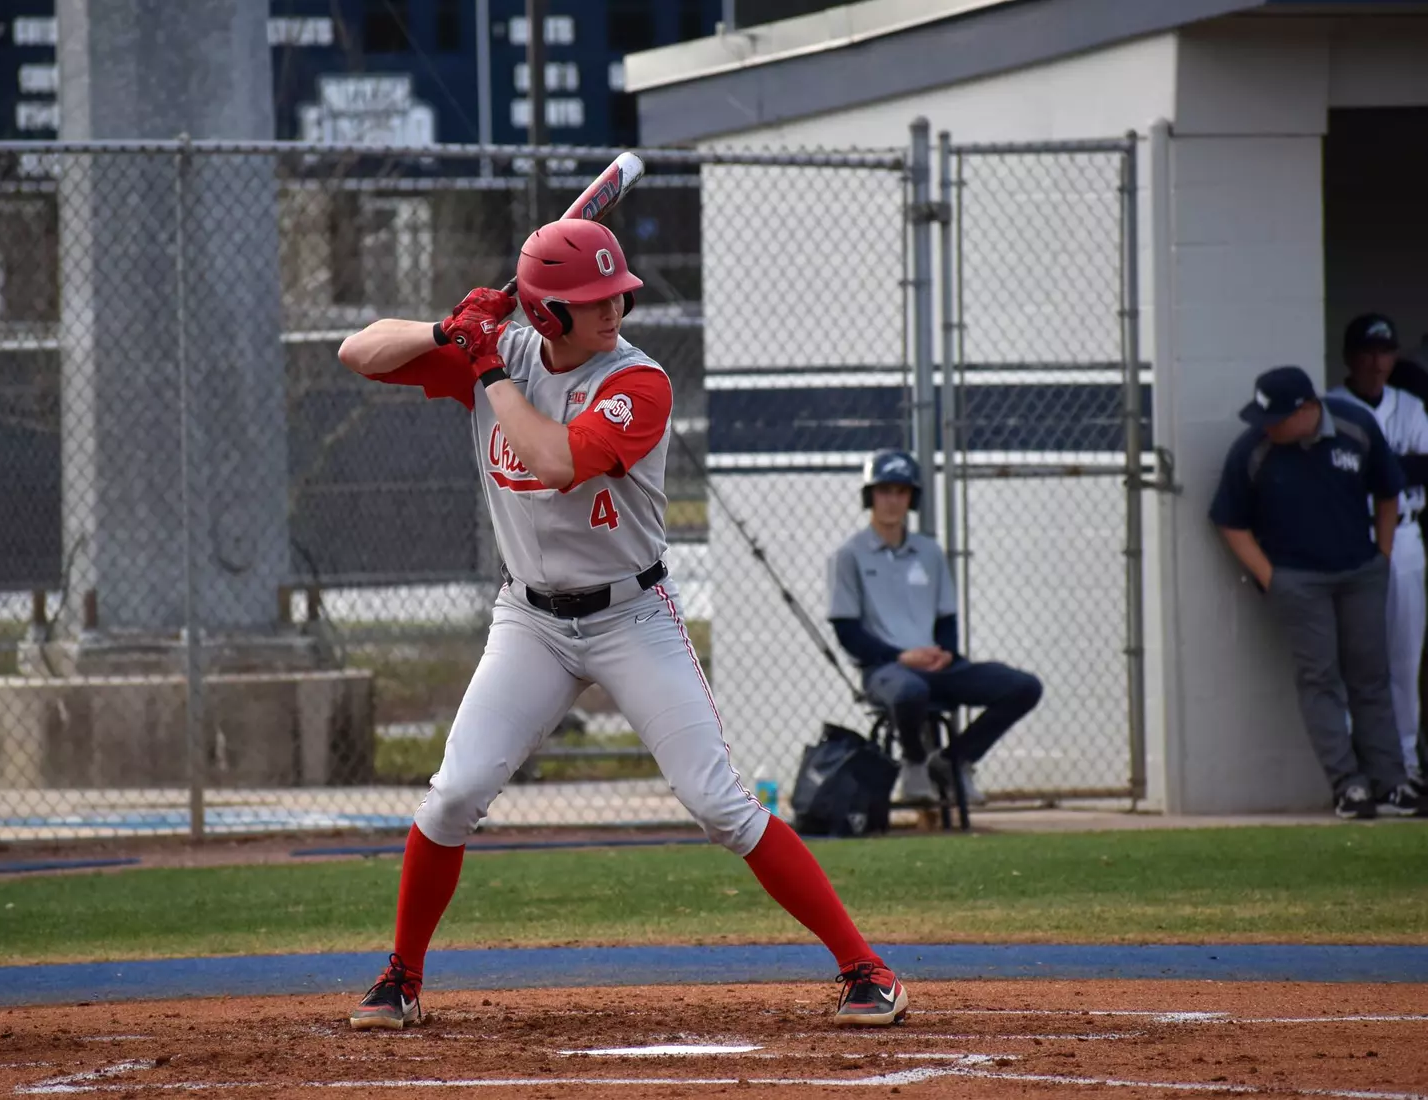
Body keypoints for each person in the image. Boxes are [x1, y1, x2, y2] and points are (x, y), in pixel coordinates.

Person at [336, 218, 908, 1031]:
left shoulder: (638, 382)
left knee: (718, 804)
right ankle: (400, 978)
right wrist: (446, 330)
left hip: (630, 614)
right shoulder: (499, 347)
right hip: (528, 619)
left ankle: (866, 970)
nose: (613, 310)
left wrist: (487, 360)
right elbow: (356, 352)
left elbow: (554, 462)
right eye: (591, 301)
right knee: (455, 793)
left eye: (616, 295)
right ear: (546, 315)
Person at [1209, 365, 1418, 819]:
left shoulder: (1354, 428)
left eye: (1278, 417)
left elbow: (1388, 491)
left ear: (1308, 410)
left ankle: (1391, 782)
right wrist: (1272, 577)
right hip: (1299, 581)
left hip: (1359, 571)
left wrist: (1381, 559)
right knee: (1320, 678)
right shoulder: (1253, 450)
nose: (1269, 427)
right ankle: (1348, 785)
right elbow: (1229, 519)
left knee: (1371, 675)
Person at [826, 449, 1043, 806]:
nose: (892, 501)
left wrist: (945, 653)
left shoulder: (929, 552)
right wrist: (901, 656)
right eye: (884, 491)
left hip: (935, 664)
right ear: (870, 496)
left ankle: (953, 761)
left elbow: (946, 619)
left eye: (901, 491)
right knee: (910, 692)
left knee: (1023, 687)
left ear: (912, 497)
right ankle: (914, 762)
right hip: (886, 669)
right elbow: (847, 631)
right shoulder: (849, 555)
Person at [1329, 314, 1428, 793]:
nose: (1376, 362)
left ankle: (1406, 761)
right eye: (1367, 352)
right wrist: (1395, 463)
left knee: (1404, 658)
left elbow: (1423, 468)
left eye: (1384, 352)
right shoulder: (1331, 406)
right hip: (1348, 537)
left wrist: (1376, 463)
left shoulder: (1410, 407)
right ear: (1350, 356)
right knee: (1356, 658)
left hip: (1405, 537)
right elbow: (1337, 476)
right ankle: (1361, 767)